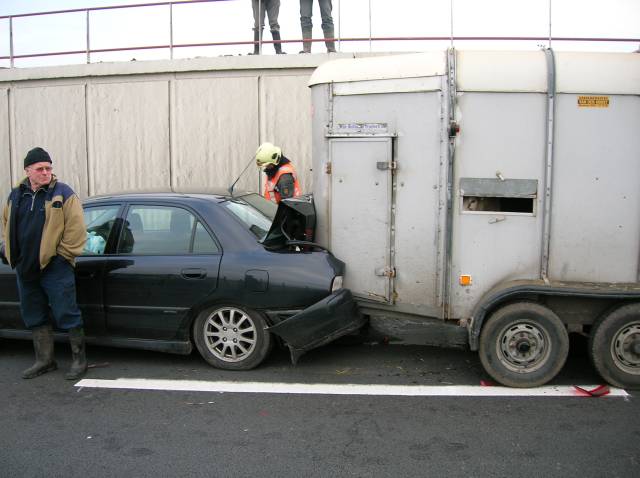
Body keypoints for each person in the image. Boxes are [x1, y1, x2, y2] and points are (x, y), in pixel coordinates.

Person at [1, 147, 88, 380]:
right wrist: (10, 253)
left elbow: (77, 230)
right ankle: (44, 360)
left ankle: (80, 361)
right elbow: (6, 225)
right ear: (27, 170)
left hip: (55, 267)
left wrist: (62, 256)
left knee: (67, 312)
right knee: (33, 313)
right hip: (25, 267)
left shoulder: (63, 193)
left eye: (48, 168)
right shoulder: (15, 195)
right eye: (40, 168)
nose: (46, 172)